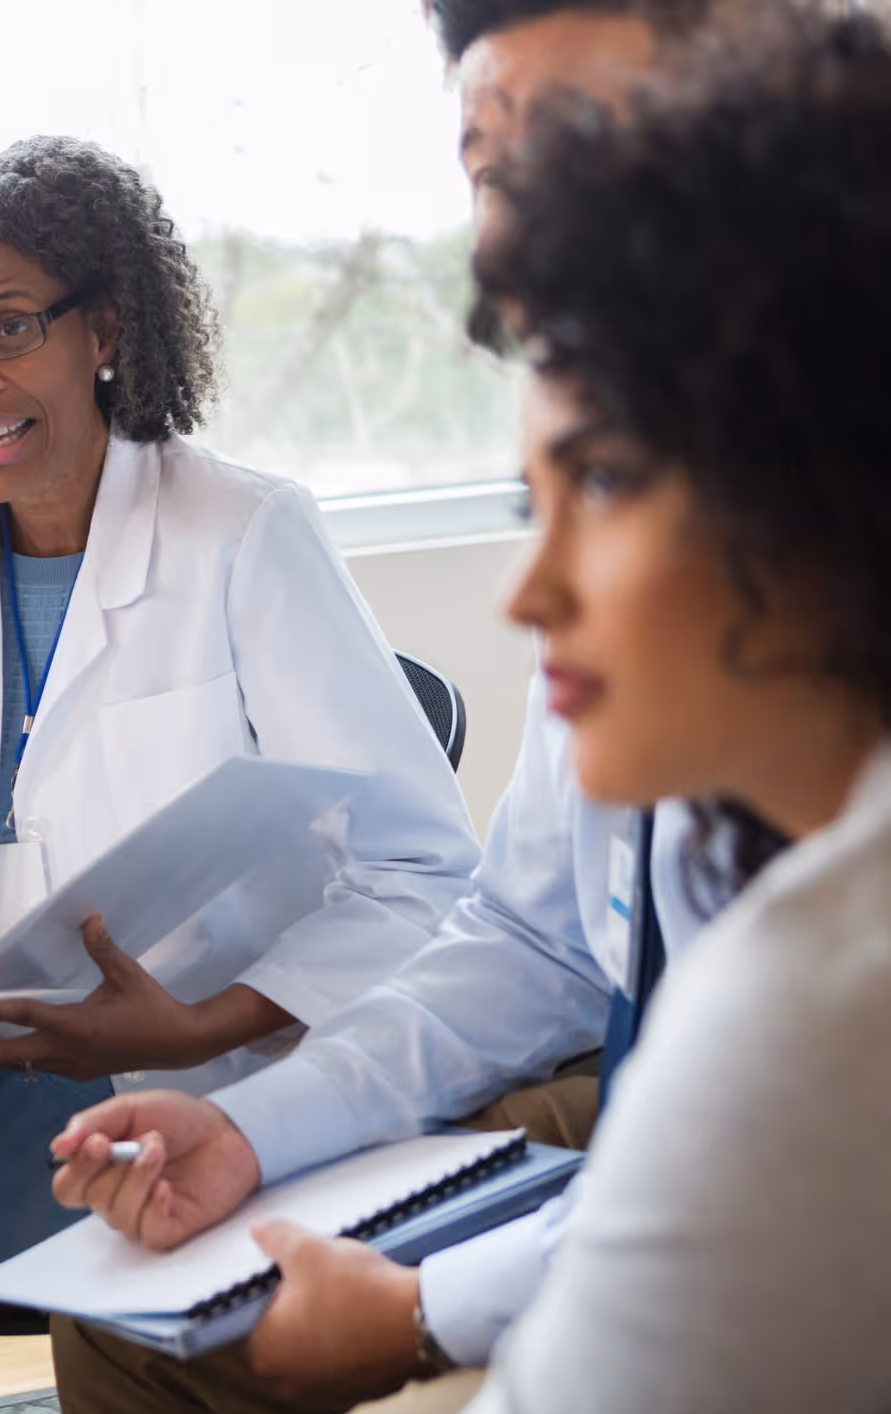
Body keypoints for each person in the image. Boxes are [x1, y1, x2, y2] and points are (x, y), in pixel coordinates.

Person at [45, 3, 733, 1411]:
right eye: (492, 165)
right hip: (648, 1108)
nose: (522, 229)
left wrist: (427, 1312)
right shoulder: (618, 466)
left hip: (747, 1194)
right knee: (132, 1316)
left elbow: (795, 1182)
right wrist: (251, 1127)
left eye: (592, 147)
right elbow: (531, 937)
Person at [0, 135, 482, 1318]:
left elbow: (420, 870)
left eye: (8, 328)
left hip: (179, 1073)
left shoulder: (242, 531)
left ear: (102, 330)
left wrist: (193, 1027)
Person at [459, 14, 891, 1408]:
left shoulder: (813, 1003)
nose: (527, 597)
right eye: (539, 496)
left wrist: (416, 1309)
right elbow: (522, 932)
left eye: (608, 481)